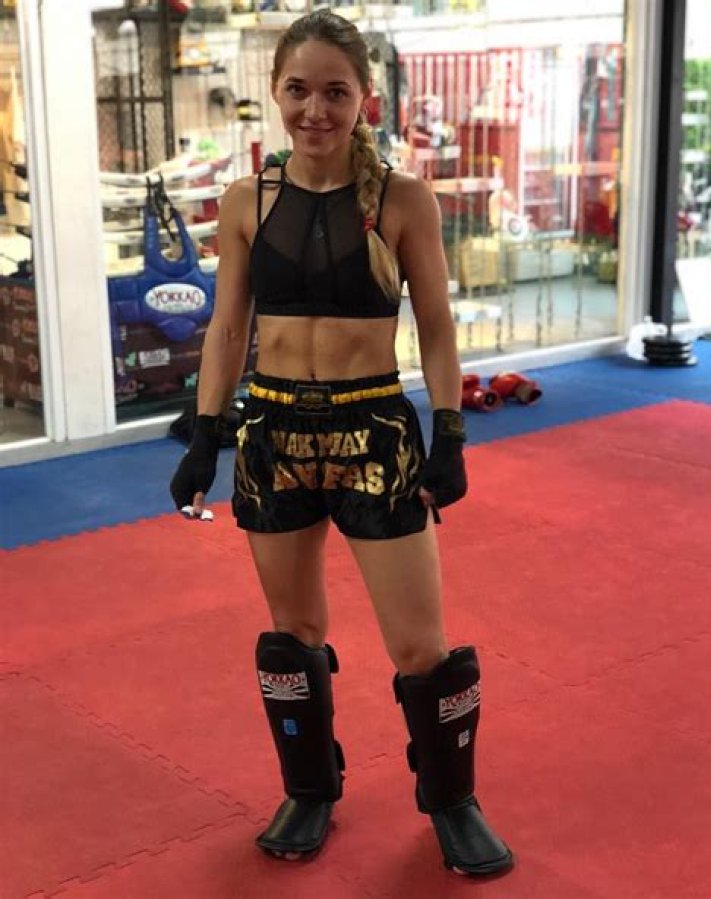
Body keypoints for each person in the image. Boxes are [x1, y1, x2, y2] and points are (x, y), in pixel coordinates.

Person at [170, 9, 513, 877]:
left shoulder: (403, 199)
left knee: (421, 648)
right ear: (274, 92)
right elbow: (227, 327)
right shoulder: (247, 201)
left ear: (365, 98)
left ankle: (453, 800)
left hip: (375, 433)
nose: (315, 109)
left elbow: (437, 326)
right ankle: (310, 787)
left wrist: (450, 430)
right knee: (291, 634)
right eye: (298, 90)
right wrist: (206, 434)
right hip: (273, 433)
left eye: (335, 91)